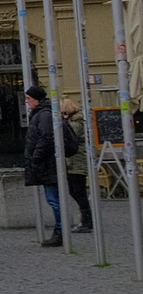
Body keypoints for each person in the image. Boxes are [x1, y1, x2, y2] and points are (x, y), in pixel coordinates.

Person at [23, 85, 69, 247]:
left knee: (55, 200)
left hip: (49, 164)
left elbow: (46, 138)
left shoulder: (44, 115)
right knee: (54, 199)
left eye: (28, 99)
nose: (27, 102)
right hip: (48, 164)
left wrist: (36, 157)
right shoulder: (42, 113)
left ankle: (61, 232)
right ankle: (60, 231)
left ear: (36, 99)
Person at [60, 98, 94, 234]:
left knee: (78, 191)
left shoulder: (76, 123)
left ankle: (87, 220)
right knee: (75, 191)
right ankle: (86, 219)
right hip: (74, 162)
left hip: (77, 162)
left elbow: (68, 136)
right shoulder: (74, 122)